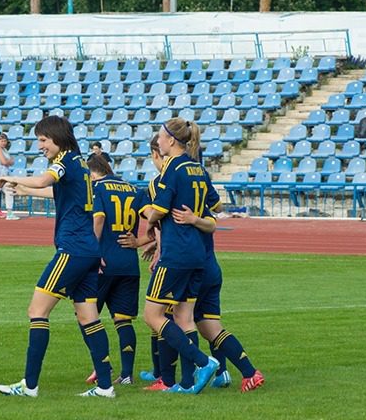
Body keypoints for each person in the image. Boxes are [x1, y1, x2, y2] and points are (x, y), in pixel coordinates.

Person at [0, 115, 115, 398]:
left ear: (57, 138)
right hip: (88, 251)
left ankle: (29, 385)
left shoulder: (62, 162)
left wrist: (11, 176)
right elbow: (59, 193)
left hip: (71, 249)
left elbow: (46, 178)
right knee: (88, 317)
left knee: (37, 311)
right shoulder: (80, 164)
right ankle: (106, 387)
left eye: (43, 140)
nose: (40, 145)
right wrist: (23, 189)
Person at [139, 118, 220, 394]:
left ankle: (203, 362)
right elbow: (215, 204)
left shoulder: (172, 167)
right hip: (199, 253)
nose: (158, 141)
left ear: (171, 140)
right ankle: (186, 384)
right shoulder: (197, 167)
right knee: (184, 318)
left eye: (160, 137)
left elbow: (159, 209)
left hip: (176, 253)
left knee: (152, 315)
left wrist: (149, 224)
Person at [171, 204, 266, 393]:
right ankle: (241, 372)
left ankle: (186, 380)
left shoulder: (182, 208)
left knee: (181, 319)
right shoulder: (200, 207)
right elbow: (212, 222)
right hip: (212, 268)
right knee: (211, 327)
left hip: (196, 271)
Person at [83, 154, 151, 385]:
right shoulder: (133, 189)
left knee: (86, 316)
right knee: (123, 320)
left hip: (103, 262)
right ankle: (127, 374)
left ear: (92, 173)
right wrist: (141, 242)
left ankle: (103, 366)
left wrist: (92, 252)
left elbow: (99, 220)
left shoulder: (97, 188)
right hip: (129, 264)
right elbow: (157, 219)